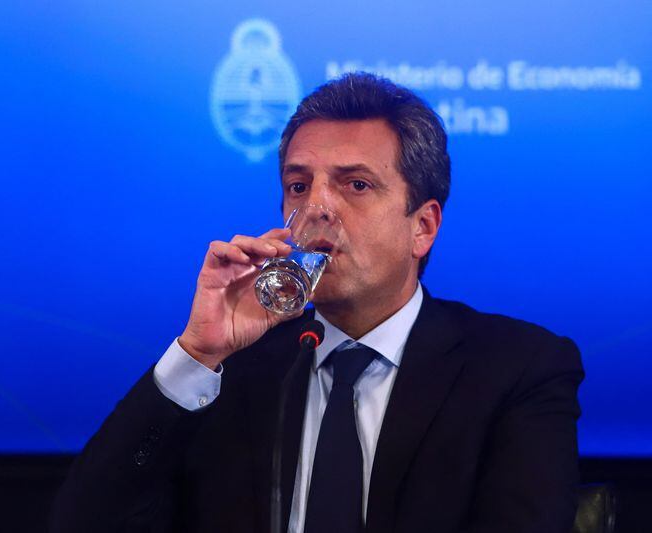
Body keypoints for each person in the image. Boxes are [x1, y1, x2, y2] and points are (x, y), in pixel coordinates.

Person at [51, 73, 584, 533]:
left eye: (356, 184)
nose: (319, 208)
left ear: (422, 227)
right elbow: (84, 522)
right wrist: (197, 355)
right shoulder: (234, 370)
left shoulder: (518, 369)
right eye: (299, 186)